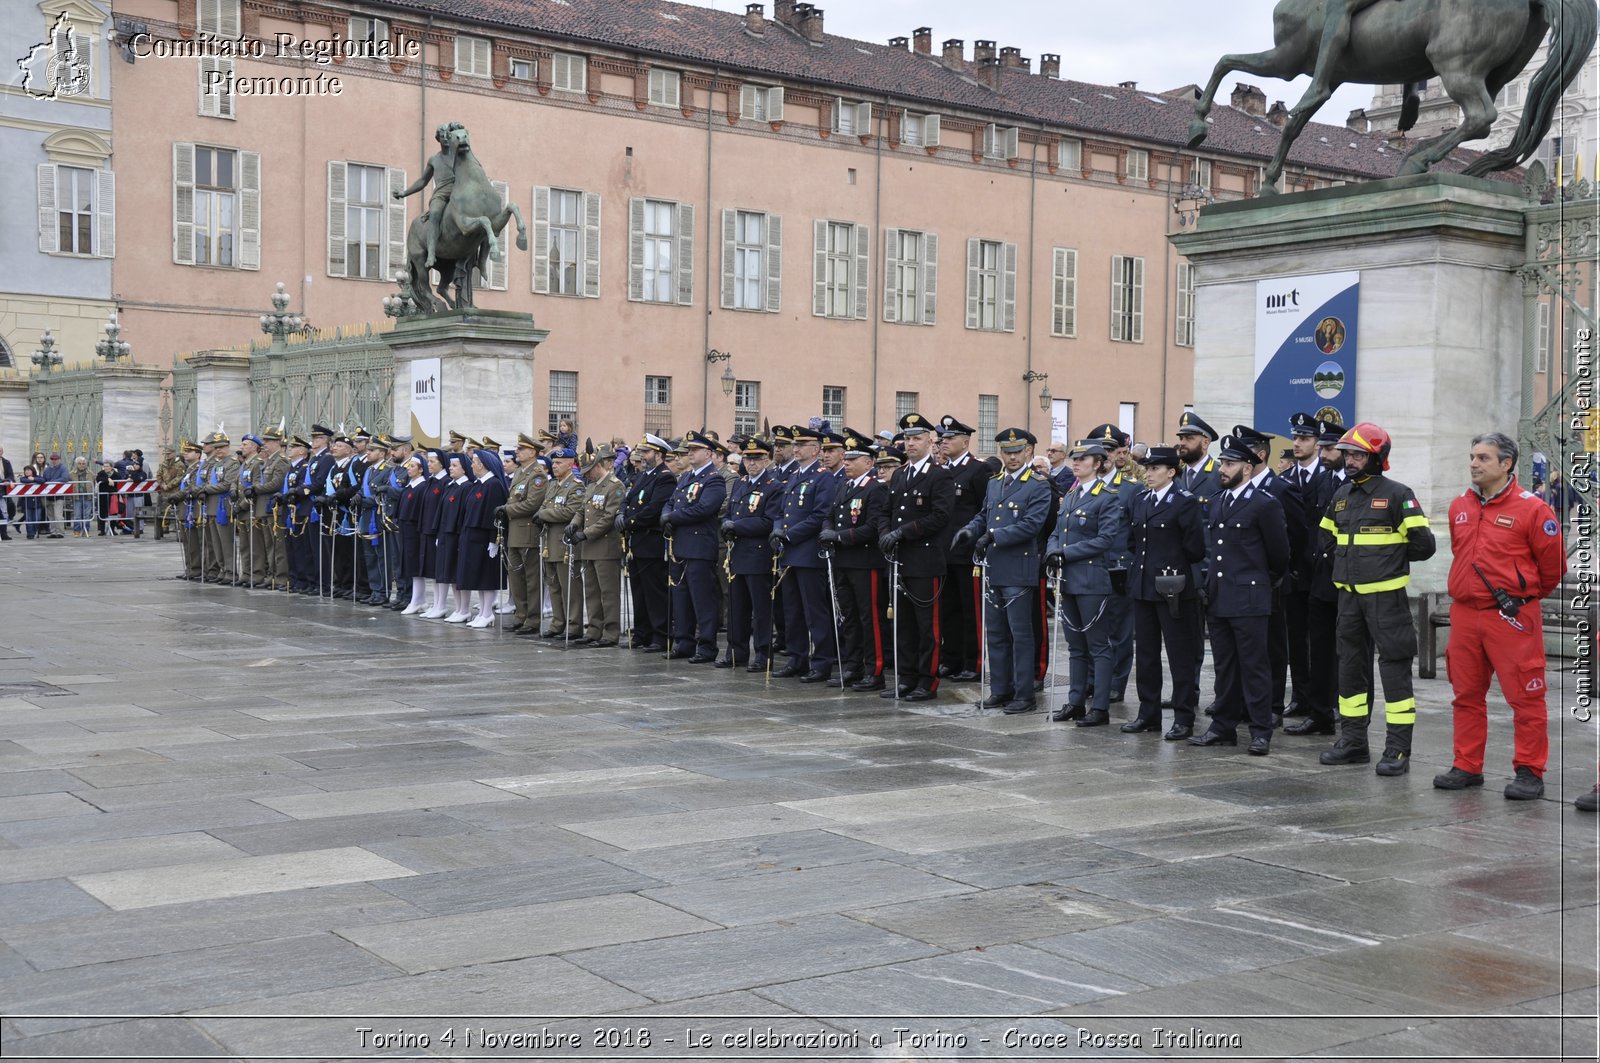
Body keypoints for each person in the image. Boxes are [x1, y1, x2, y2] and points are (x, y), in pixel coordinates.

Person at [1434, 432, 1567, 800]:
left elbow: (1553, 566)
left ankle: (1529, 770)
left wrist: (1523, 596)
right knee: (1465, 694)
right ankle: (1466, 765)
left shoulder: (1533, 509)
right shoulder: (1460, 505)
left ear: (1506, 464)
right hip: (1465, 615)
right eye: (1472, 456)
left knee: (1526, 696)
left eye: (1483, 458)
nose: (1474, 463)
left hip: (1512, 617)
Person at [1318, 422, 1437, 775]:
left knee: (1394, 671)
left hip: (1387, 600)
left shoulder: (1399, 494)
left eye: (1358, 455)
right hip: (1349, 600)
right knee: (1350, 671)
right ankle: (1353, 742)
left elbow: (1423, 544)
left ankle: (1398, 750)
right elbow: (1325, 540)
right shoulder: (1341, 496)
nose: (1350, 460)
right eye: (1348, 454)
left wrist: (1387, 563)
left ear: (1377, 458)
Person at [1189, 433, 1290, 755]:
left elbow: (1279, 555)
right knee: (1224, 667)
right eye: (1221, 463)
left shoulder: (1264, 504)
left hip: (1249, 598)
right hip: (1219, 597)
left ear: (1247, 468)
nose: (1222, 469)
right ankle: (1223, 726)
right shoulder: (1219, 501)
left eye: (1229, 464)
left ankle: (1261, 730)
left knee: (1254, 666)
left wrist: (1257, 583)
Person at [954, 428, 1052, 714]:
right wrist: (969, 530)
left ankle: (1024, 694)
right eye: (1006, 452)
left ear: (1027, 452)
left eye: (1016, 451)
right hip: (995, 567)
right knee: (995, 633)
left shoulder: (1038, 484)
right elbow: (984, 514)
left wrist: (993, 536)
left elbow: (1032, 525)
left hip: (1019, 566)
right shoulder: (996, 482)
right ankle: (1000, 688)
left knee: (1020, 635)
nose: (1011, 457)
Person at [1125, 445, 1206, 738]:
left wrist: (1172, 566)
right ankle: (1148, 714)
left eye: (1155, 469)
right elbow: (1133, 542)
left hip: (1173, 588)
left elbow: (1195, 547)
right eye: (1147, 469)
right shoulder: (1140, 499)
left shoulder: (1183, 502)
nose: (1149, 474)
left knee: (1179, 655)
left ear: (1171, 472)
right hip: (1144, 586)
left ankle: (1183, 717)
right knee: (1146, 655)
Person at [1044, 438, 1126, 724]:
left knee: (1098, 646)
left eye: (1083, 459)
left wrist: (1064, 553)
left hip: (1091, 580)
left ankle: (1100, 707)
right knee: (1076, 646)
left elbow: (1105, 539)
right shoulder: (1072, 494)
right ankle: (1075, 701)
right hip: (1068, 581)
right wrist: (1052, 551)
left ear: (1098, 463)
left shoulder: (1107, 496)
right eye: (1074, 459)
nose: (1076, 463)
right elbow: (1056, 530)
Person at [878, 413, 954, 702]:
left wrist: (902, 533)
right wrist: (886, 533)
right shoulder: (900, 474)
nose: (911, 443)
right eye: (908, 438)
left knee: (927, 627)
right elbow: (886, 510)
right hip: (900, 560)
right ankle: (906, 677)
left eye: (917, 438)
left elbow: (940, 516)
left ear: (930, 442)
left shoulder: (939, 474)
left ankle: (927, 680)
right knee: (904, 624)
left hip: (925, 560)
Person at [1284, 421, 1349, 738]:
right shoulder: (1323, 482)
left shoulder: (1350, 482)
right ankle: (1309, 699)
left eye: (1329, 447)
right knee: (1305, 642)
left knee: (1337, 646)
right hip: (1310, 572)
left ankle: (1334, 703)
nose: (1325, 452)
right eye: (1322, 447)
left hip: (1339, 576)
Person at [819, 429, 889, 689]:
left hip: (865, 561)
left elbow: (872, 527)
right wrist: (827, 530)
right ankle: (853, 666)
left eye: (853, 459)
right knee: (848, 616)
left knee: (869, 617)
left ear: (869, 463)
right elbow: (830, 514)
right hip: (843, 561)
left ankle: (875, 670)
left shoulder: (875, 489)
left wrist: (839, 537)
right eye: (846, 458)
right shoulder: (843, 486)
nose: (846, 463)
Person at [773, 426, 843, 683]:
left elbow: (820, 515)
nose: (796, 449)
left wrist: (789, 534)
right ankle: (797, 658)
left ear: (815, 449)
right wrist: (778, 530)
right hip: (790, 553)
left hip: (809, 552)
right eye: (795, 445)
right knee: (792, 610)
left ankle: (822, 662)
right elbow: (781, 511)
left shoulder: (823, 477)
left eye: (801, 445)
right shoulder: (794, 475)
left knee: (815, 611)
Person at [662, 431, 727, 663]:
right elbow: (670, 502)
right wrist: (666, 515)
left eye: (695, 450)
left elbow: (704, 508)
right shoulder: (685, 478)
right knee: (681, 598)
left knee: (702, 599)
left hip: (699, 546)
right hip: (680, 545)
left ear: (709, 453)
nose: (689, 453)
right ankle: (684, 641)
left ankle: (707, 646)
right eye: (688, 450)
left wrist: (672, 518)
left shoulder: (714, 478)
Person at [721, 436, 782, 671]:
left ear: (766, 459)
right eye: (748, 458)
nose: (751, 463)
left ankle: (762, 655)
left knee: (761, 610)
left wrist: (737, 526)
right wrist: (728, 524)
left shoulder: (773, 486)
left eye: (756, 459)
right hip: (737, 553)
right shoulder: (740, 483)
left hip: (758, 554)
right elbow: (730, 512)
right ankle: (736, 653)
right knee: (737, 608)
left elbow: (768, 521)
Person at [938, 416, 990, 684]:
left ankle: (974, 662)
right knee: (949, 610)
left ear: (965, 441)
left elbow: (985, 510)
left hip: (967, 554)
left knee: (971, 612)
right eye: (943, 438)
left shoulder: (977, 470)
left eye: (949, 438)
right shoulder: (943, 469)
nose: (944, 442)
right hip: (945, 552)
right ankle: (951, 659)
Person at [566, 441, 627, 646]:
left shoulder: (615, 486)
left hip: (605, 546)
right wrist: (574, 524)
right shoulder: (591, 486)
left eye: (589, 471)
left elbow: (609, 518)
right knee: (592, 592)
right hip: (589, 547)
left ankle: (610, 633)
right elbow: (582, 510)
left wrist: (585, 533)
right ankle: (594, 630)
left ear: (599, 466)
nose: (586, 475)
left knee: (608, 593)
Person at [620, 434, 675, 651]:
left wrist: (629, 522)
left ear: (659, 455)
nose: (642, 456)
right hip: (636, 542)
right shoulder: (643, 476)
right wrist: (621, 514)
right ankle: (641, 633)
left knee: (655, 593)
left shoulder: (665, 477)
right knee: (639, 592)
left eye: (647, 452)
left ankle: (660, 636)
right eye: (642, 452)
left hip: (651, 541)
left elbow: (654, 509)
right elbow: (628, 498)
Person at [499, 434, 549, 633]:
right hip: (514, 533)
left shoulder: (537, 475)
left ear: (533, 452)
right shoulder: (520, 472)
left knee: (531, 578)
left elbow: (532, 504)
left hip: (528, 532)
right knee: (516, 577)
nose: (517, 452)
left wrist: (506, 510)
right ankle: (521, 615)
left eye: (521, 449)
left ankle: (533, 619)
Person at [534, 447, 584, 637]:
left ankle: (573, 625)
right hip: (549, 543)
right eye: (553, 463)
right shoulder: (553, 485)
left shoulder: (576, 486)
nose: (554, 466)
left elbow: (570, 511)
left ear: (570, 464)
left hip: (564, 544)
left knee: (569, 587)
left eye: (559, 463)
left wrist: (543, 515)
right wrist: (544, 513)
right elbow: (546, 505)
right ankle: (557, 622)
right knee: (553, 585)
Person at [456, 448, 508, 627]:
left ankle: (487, 613)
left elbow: (495, 515)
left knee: (486, 576)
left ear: (483, 464)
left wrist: (494, 540)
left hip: (485, 537)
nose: (472, 465)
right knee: (477, 575)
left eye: (474, 462)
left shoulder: (494, 485)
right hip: (473, 536)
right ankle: (483, 612)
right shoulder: (479, 484)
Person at [39, 452, 67, 537]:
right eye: (52, 459)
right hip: (49, 496)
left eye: (56, 459)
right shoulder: (47, 469)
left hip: (58, 496)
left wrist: (51, 482)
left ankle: (60, 532)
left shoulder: (63, 468)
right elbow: (44, 479)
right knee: (50, 515)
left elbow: (65, 478)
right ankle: (53, 531)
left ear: (59, 460)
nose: (54, 461)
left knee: (58, 515)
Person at [68, 457, 94, 536]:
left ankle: (86, 530)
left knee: (87, 515)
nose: (81, 465)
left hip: (88, 496)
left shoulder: (91, 473)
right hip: (77, 496)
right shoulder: (71, 474)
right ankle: (77, 531)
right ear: (76, 464)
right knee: (77, 515)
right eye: (79, 464)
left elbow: (94, 483)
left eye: (83, 463)